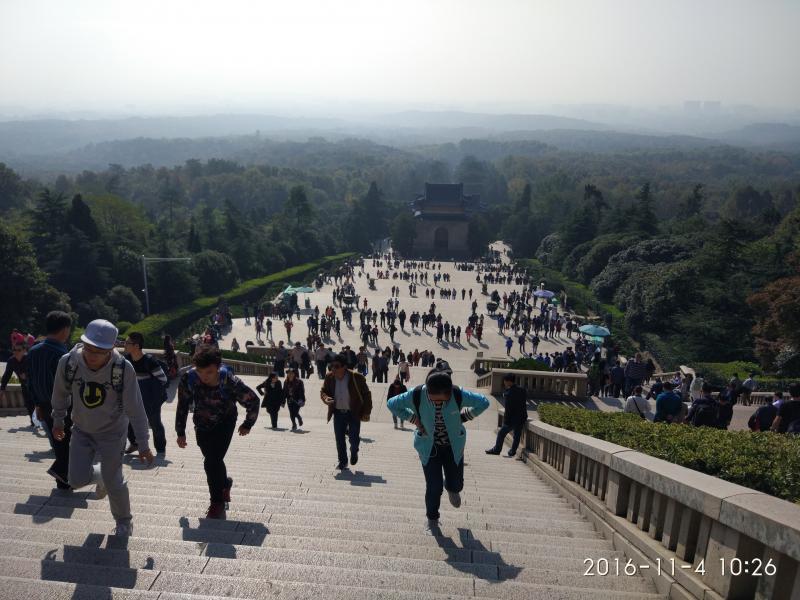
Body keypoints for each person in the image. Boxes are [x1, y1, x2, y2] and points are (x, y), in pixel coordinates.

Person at [51, 319, 154, 536]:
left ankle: (124, 521)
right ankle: (101, 477)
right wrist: (58, 421)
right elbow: (60, 394)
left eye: (99, 351)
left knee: (114, 480)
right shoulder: (68, 363)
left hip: (113, 432)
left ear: (111, 349)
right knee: (75, 480)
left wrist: (143, 443)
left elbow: (136, 409)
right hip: (81, 429)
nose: (92, 355)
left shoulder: (122, 369)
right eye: (89, 348)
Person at [388, 361, 490, 532]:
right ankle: (432, 519)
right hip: (428, 448)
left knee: (456, 485)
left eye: (443, 400)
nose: (438, 404)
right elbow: (392, 403)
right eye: (434, 400)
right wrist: (414, 419)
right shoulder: (417, 394)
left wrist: (465, 416)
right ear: (428, 391)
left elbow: (484, 402)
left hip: (453, 447)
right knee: (433, 487)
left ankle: (451, 487)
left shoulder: (457, 393)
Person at [175, 344, 260, 519]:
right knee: (214, 460)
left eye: (209, 372)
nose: (204, 377)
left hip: (225, 422)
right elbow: (182, 404)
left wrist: (247, 424)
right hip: (202, 423)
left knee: (211, 461)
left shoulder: (228, 380)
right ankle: (225, 484)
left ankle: (216, 502)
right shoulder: (189, 378)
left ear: (218, 367)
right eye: (200, 371)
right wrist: (180, 431)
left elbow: (253, 400)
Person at [27, 310, 73, 489]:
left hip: (44, 405)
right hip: (63, 406)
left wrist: (37, 404)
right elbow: (67, 385)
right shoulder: (62, 354)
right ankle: (60, 472)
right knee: (70, 442)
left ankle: (63, 481)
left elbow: (30, 381)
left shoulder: (33, 350)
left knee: (59, 443)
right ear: (65, 329)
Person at [320, 353, 372, 470]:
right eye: (332, 366)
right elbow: (323, 391)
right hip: (338, 412)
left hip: (353, 412)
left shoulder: (356, 377)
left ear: (344, 367)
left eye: (337, 366)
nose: (333, 369)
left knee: (354, 438)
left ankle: (354, 450)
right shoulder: (329, 377)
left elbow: (367, 395)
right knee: (339, 438)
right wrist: (326, 398)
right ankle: (343, 461)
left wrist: (366, 412)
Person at [122, 332, 168, 456]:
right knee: (128, 421)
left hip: (150, 400)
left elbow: (163, 379)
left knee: (154, 423)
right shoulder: (126, 360)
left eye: (127, 343)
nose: (124, 345)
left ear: (136, 346)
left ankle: (160, 449)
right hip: (133, 398)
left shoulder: (150, 361)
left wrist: (148, 387)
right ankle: (134, 444)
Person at [486, 373, 527, 457]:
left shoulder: (509, 393)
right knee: (517, 435)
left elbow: (508, 408)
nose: (504, 382)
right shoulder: (522, 390)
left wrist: (506, 420)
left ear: (509, 381)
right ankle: (512, 451)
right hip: (522, 417)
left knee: (501, 433)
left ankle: (496, 450)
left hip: (512, 419)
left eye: (505, 381)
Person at [1, 343, 34, 426]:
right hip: (24, 385)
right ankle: (33, 421)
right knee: (28, 403)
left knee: (38, 403)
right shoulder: (11, 361)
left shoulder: (30, 359)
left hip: (35, 385)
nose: (16, 352)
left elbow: (37, 372)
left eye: (19, 350)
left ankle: (41, 421)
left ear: (24, 351)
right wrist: (2, 388)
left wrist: (27, 376)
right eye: (14, 350)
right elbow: (7, 375)